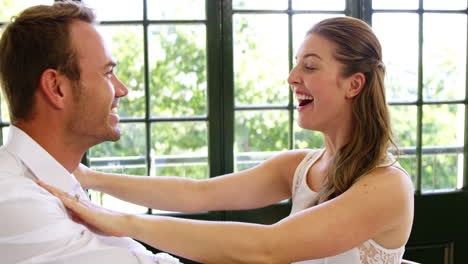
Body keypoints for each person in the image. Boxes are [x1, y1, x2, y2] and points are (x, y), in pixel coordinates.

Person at [38, 16, 415, 264]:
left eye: (310, 66)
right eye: (297, 62)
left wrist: (123, 223)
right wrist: (89, 178)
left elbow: (269, 248)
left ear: (354, 84)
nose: (292, 77)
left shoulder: (387, 186)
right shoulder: (301, 166)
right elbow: (196, 194)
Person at [0, 1, 181, 263]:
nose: (121, 90)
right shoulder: (13, 198)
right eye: (108, 73)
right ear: (56, 87)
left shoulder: (59, 184)